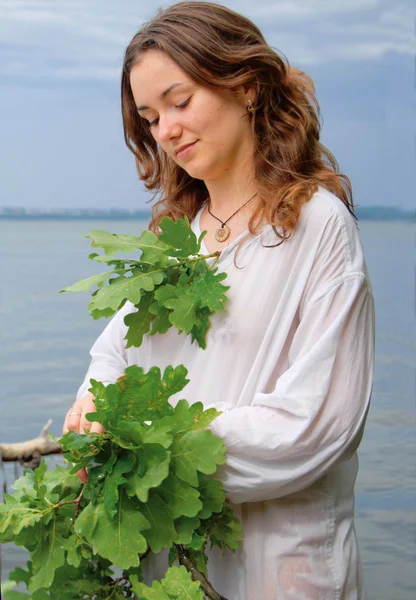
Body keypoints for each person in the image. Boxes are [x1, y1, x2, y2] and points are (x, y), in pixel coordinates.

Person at [62, 2, 375, 599]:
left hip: (280, 567)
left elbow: (314, 428)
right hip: (173, 566)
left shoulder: (317, 227)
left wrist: (150, 437)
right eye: (151, 118)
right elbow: (113, 355)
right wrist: (91, 407)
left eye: (180, 102)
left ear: (248, 87)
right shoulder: (176, 238)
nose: (167, 130)